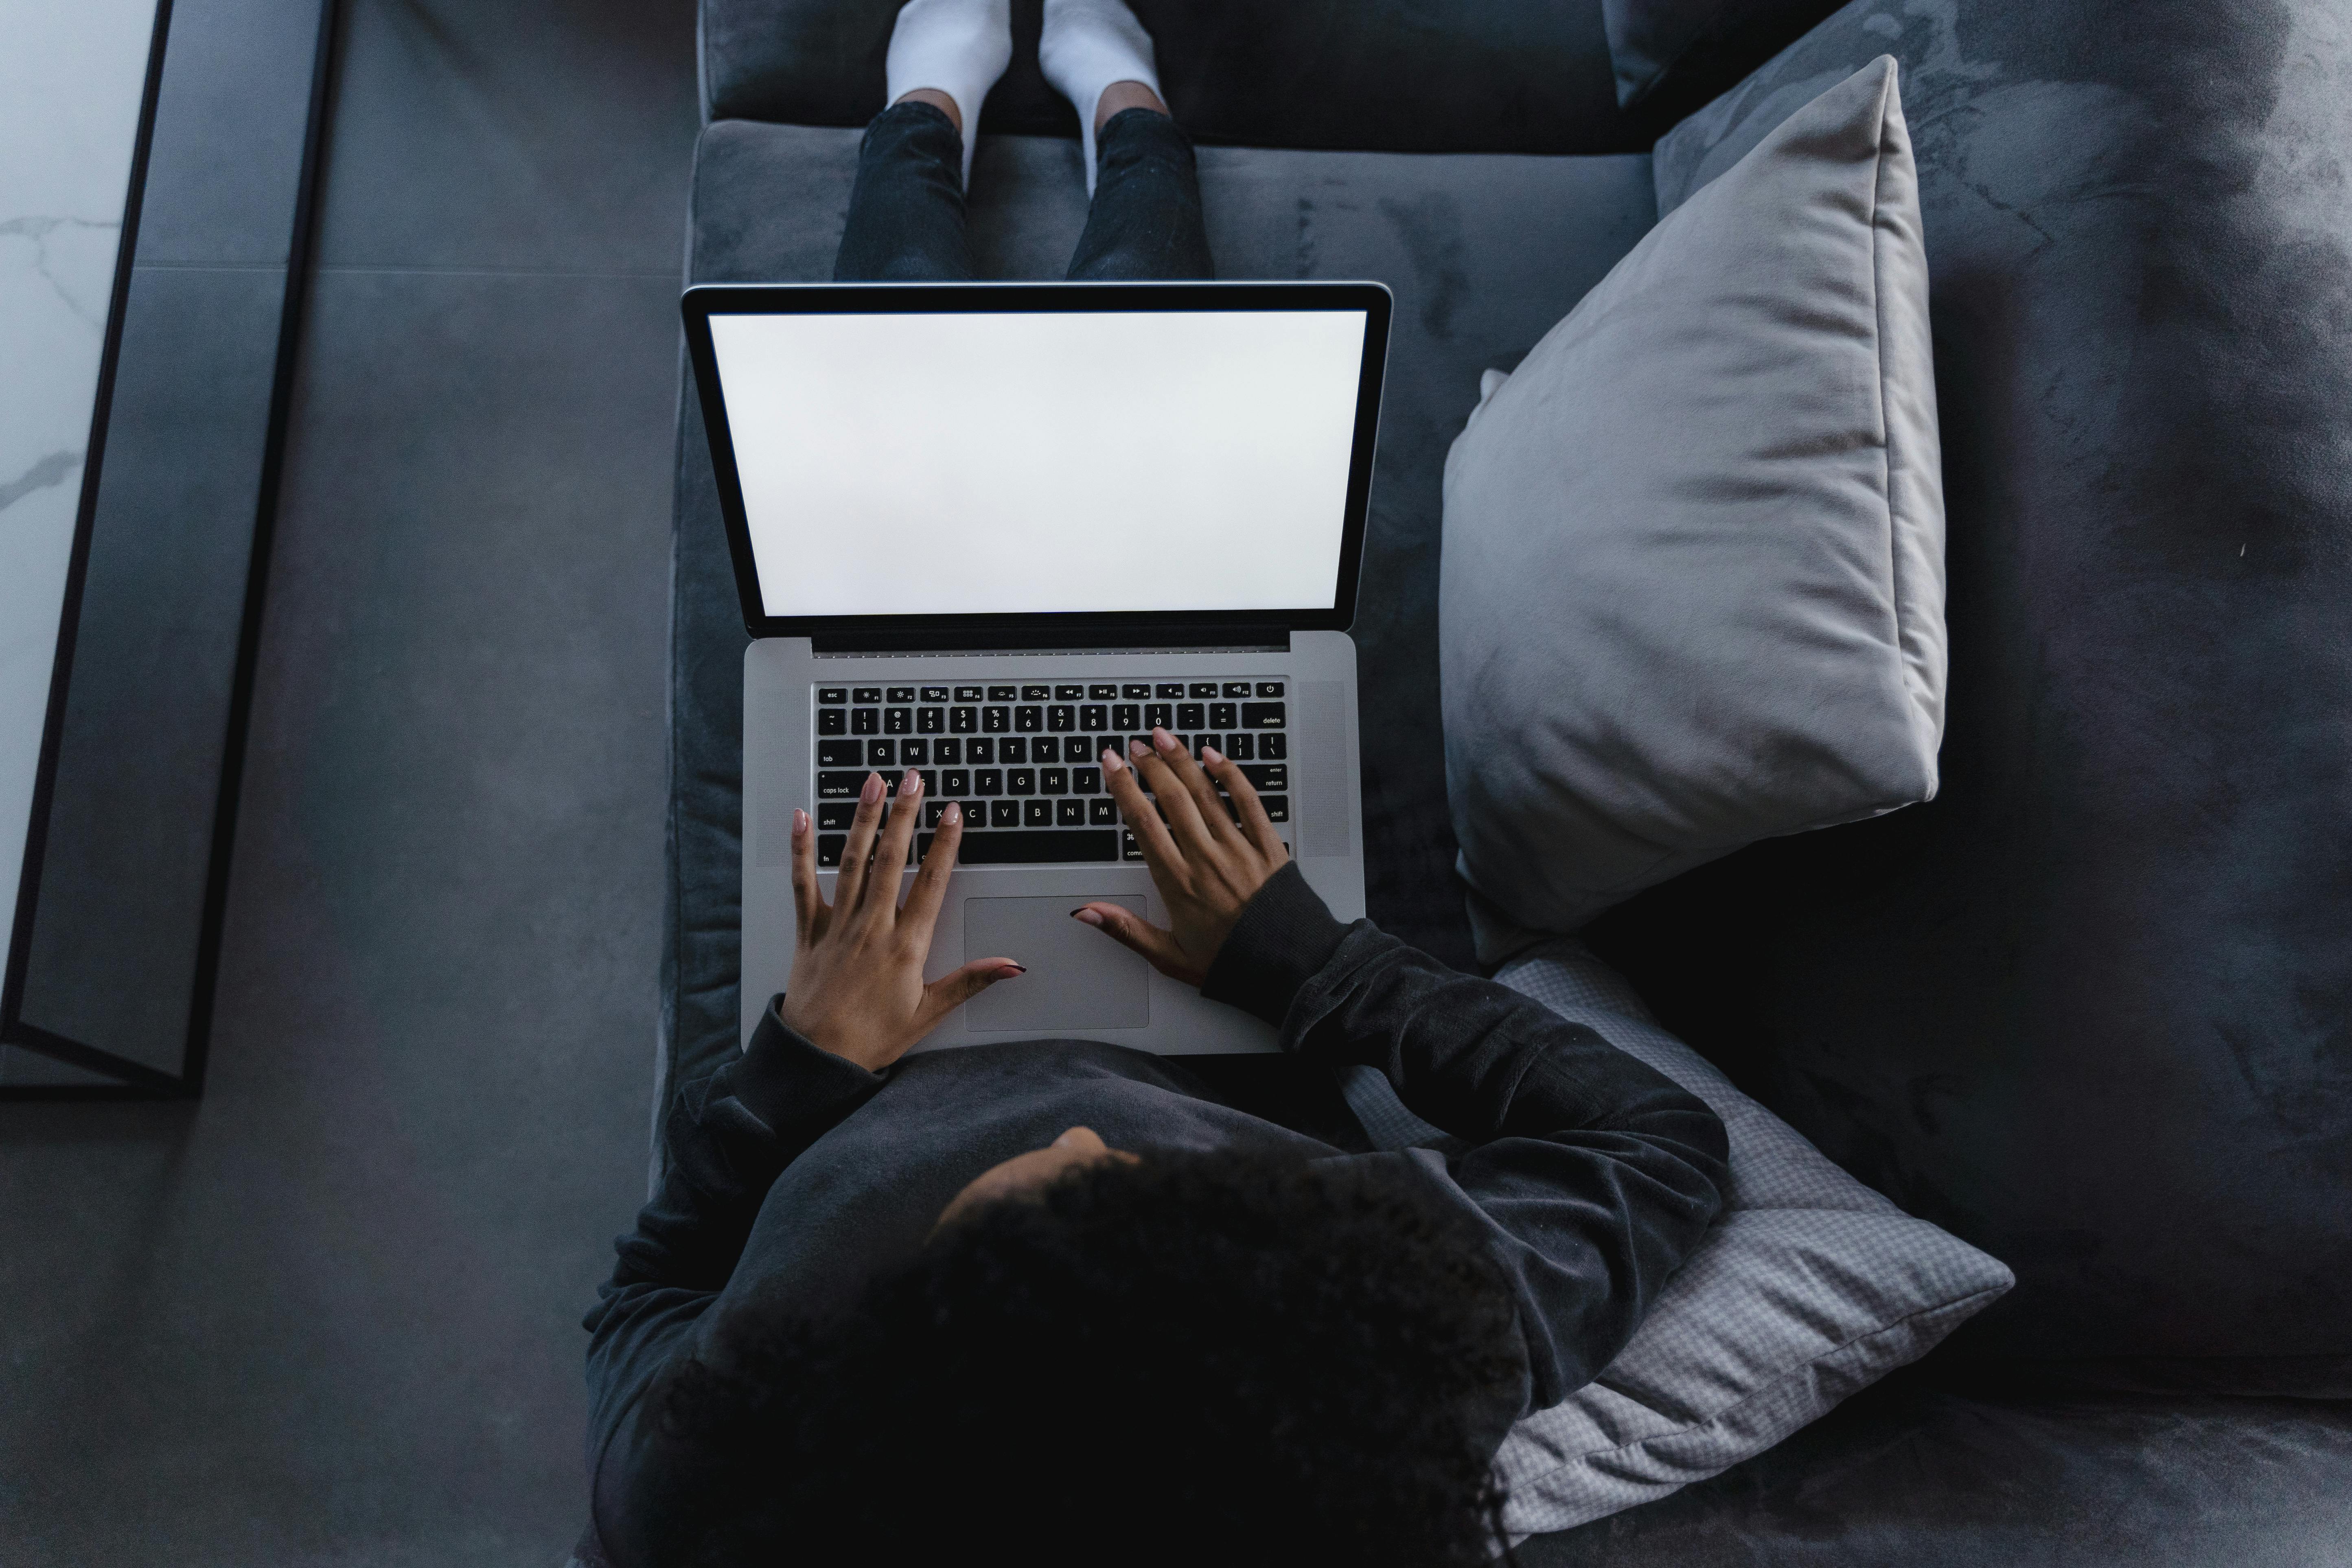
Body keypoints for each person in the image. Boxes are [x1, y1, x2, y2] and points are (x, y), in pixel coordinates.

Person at [583, 4, 1729, 1563]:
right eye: (1140, 1193)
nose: (1069, 1135)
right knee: (1148, 404)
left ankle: (926, 97)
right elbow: (1659, 1152)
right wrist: (1313, 964)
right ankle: (1126, 105)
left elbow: (647, 1293)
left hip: (866, 1041)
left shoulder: (713, 1488)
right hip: (1239, 989)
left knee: (894, 403)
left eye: (1007, 1220)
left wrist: (800, 1071)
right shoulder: (1363, 1370)